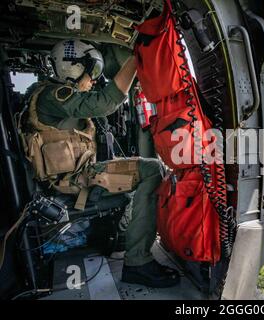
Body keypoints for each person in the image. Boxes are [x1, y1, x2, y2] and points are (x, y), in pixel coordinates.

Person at [22, 39, 179, 288]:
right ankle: (137, 262)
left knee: (147, 168)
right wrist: (136, 59)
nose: (94, 79)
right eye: (92, 71)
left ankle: (125, 242)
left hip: (78, 176)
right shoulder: (52, 95)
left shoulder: (51, 98)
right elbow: (104, 103)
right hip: (72, 182)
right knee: (153, 170)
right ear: (70, 67)